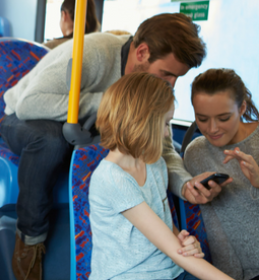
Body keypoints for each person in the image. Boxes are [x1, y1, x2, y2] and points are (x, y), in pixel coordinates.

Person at [1, 13, 216, 280]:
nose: (169, 85)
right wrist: (114, 103)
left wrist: (184, 184)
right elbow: (29, 104)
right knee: (51, 141)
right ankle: (29, 240)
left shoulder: (150, 93)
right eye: (166, 74)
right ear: (142, 52)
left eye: (176, 78)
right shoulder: (95, 54)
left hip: (88, 123)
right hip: (27, 118)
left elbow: (162, 147)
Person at [89, 72, 233, 280]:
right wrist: (179, 250)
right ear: (141, 121)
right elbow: (171, 248)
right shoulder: (113, 178)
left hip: (170, 268)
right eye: (165, 123)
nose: (167, 134)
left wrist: (184, 243)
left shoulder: (155, 162)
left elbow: (163, 226)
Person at [184, 68, 259, 280]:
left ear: (242, 107)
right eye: (202, 118)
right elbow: (214, 225)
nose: (212, 128)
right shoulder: (196, 153)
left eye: (223, 117)